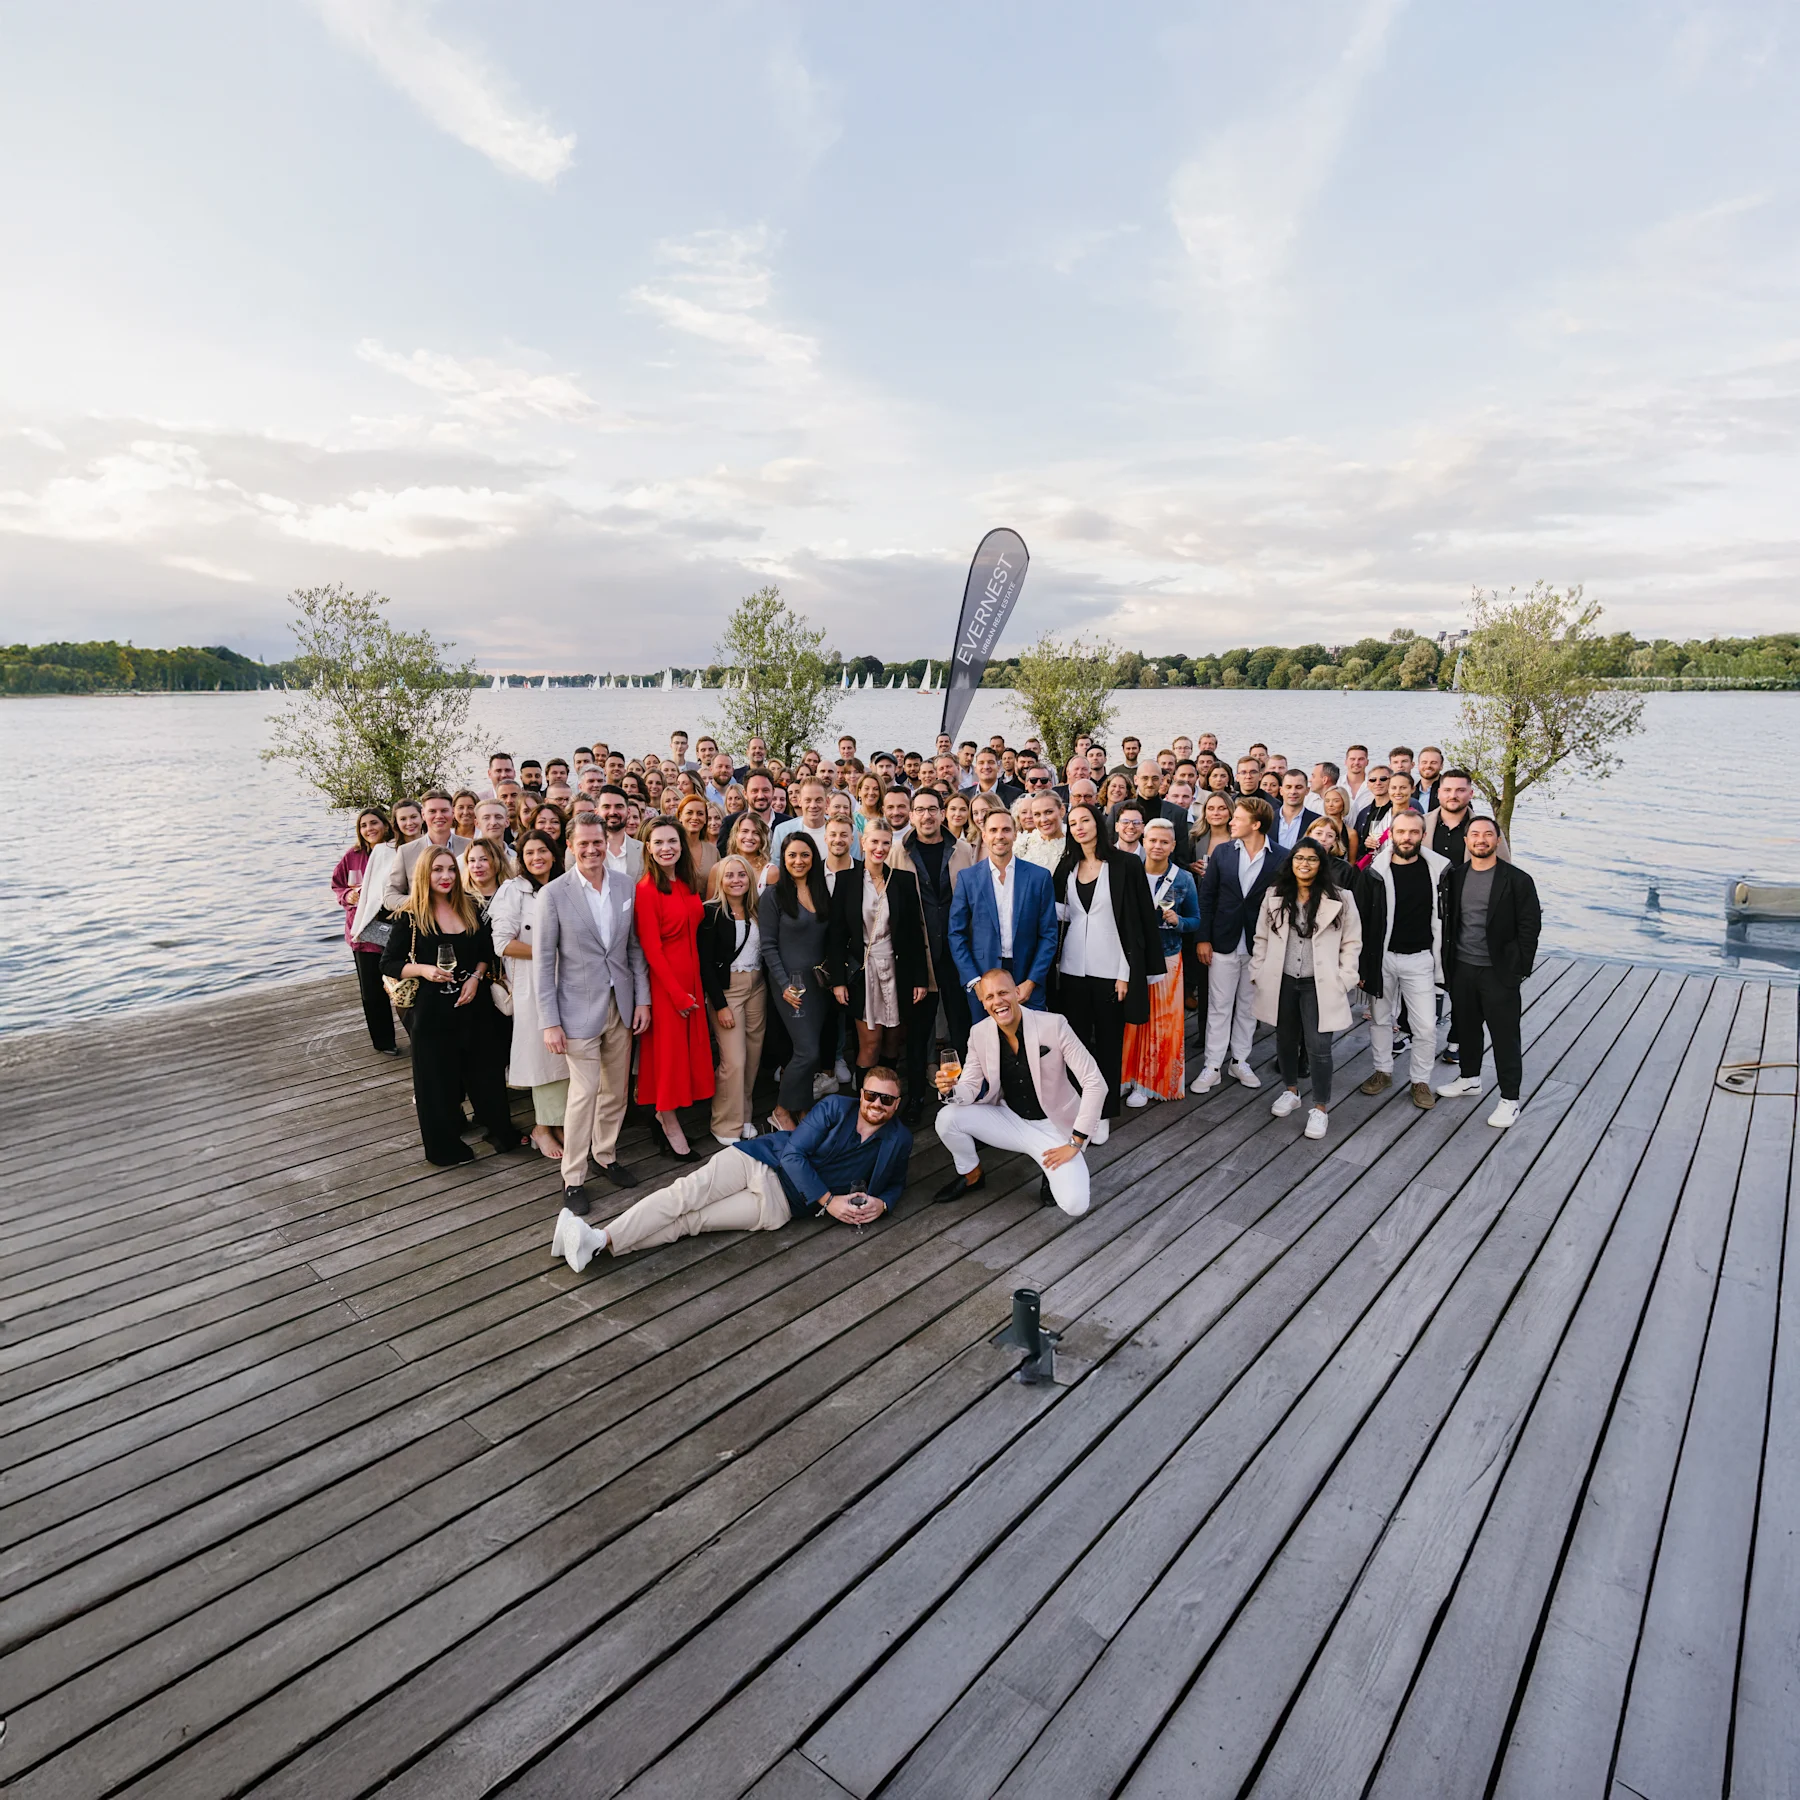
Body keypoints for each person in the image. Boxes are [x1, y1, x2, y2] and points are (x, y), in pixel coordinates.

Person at [552, 1075, 912, 1270]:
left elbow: (896, 1183)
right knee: (684, 1196)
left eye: (886, 1100)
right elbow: (794, 1156)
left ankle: (595, 1244)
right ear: (861, 1094)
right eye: (870, 1095)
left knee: (690, 1224)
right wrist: (829, 1201)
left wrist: (883, 1204)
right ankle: (600, 1239)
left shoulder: (899, 1139)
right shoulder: (836, 1107)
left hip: (780, 1207)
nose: (876, 1104)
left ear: (897, 1104)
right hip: (757, 1162)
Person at [536, 815, 652, 1208]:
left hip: (621, 1006)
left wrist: (643, 1000)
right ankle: (573, 1177)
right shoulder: (553, 894)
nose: (591, 850)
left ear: (607, 842)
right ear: (569, 846)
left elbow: (633, 949)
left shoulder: (624, 885)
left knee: (616, 1091)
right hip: (575, 1012)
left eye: (597, 842)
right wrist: (549, 1022)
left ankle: (606, 1155)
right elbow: (543, 963)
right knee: (584, 1094)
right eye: (583, 843)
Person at [381, 847, 519, 1165]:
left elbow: (487, 952)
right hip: (433, 1013)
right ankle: (445, 1147)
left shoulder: (469, 907)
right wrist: (424, 970)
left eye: (451, 870)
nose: (445, 876)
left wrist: (476, 976)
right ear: (424, 875)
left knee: (487, 1075)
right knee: (436, 1084)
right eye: (437, 870)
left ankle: (499, 1131)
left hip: (475, 1007)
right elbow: (387, 963)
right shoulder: (411, 914)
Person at [933, 968, 1107, 1216]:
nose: (997, 1001)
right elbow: (970, 1087)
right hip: (1010, 1119)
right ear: (983, 1004)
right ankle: (972, 1174)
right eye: (989, 997)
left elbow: (1095, 1082)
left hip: (1053, 1126)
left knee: (1075, 1204)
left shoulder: (1054, 1024)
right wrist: (950, 1090)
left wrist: (1075, 1142)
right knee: (947, 1117)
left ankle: (1050, 1171)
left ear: (1017, 993)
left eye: (1003, 992)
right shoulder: (979, 1033)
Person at [1052, 801, 1161, 1137]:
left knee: (1109, 1045)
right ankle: (1077, 1109)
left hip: (1111, 970)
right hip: (1071, 969)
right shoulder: (1067, 865)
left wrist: (1126, 972)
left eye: (1085, 820)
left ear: (1099, 823)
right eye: (1072, 823)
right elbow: (1059, 917)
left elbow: (1139, 923)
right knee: (1076, 1045)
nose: (1079, 827)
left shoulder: (1125, 864)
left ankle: (1103, 1113)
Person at [1250, 839, 1363, 1140]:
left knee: (1318, 1046)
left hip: (1320, 982)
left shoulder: (1342, 898)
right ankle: (1290, 1091)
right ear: (1291, 862)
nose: (1304, 864)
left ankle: (1320, 1108)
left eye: (1312, 859)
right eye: (1299, 858)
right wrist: (1258, 971)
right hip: (1283, 979)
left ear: (1321, 863)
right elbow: (1261, 938)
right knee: (1285, 1040)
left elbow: (1352, 943)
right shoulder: (1274, 896)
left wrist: (1345, 978)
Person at [1436, 818, 1542, 1129]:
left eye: (1487, 835)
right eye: (1475, 835)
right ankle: (1470, 1079)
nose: (1481, 840)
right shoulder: (1455, 876)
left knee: (1504, 1036)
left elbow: (1530, 927)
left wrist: (1519, 970)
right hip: (1462, 967)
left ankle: (1510, 1099)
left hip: (1499, 972)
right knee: (1466, 1027)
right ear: (1466, 840)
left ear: (1497, 840)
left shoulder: (1517, 880)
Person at [1354, 809, 1452, 1108]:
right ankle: (1382, 1071)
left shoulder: (1440, 871)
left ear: (1423, 835)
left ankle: (1420, 1080)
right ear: (1391, 835)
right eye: (1401, 832)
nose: (1407, 838)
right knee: (1381, 1019)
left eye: (1413, 832)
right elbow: (1360, 920)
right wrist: (1360, 965)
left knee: (1425, 1026)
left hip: (1421, 959)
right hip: (1381, 958)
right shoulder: (1374, 873)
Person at [891, 786, 979, 1113]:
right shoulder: (897, 852)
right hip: (919, 956)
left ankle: (969, 1095)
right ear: (911, 815)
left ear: (943, 814)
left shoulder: (964, 851)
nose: (926, 816)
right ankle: (915, 1096)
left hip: (957, 954)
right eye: (920, 810)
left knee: (962, 1029)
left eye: (933, 809)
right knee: (918, 1034)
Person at [1192, 796, 1288, 1094]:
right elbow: (1207, 899)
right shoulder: (1222, 853)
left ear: (1256, 824)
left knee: (1248, 1006)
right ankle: (1212, 1065)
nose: (1231, 821)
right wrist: (1203, 938)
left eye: (1238, 818)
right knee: (1219, 1005)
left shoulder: (1281, 857)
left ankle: (1240, 1060)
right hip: (1222, 939)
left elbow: (1282, 906)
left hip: (1260, 944)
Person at [633, 820, 714, 1159]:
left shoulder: (686, 883)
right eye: (659, 842)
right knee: (667, 1057)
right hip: (667, 984)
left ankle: (668, 1116)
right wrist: (676, 994)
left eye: (673, 841)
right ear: (648, 847)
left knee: (685, 1054)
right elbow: (651, 949)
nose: (667, 847)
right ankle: (667, 1120)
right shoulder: (647, 888)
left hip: (692, 977)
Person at [829, 819, 929, 1084]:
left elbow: (914, 933)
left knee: (894, 1040)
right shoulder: (846, 880)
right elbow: (836, 934)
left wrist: (920, 978)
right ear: (862, 843)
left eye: (886, 843)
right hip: (863, 971)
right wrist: (838, 981)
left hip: (898, 970)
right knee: (870, 1043)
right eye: (874, 841)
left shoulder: (904, 881)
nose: (880, 848)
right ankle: (864, 1100)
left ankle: (886, 1098)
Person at [491, 828, 569, 1159]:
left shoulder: (566, 885)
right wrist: (547, 951)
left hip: (570, 980)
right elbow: (502, 942)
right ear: (521, 859)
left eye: (543, 851)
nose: (537, 858)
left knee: (568, 1054)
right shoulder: (512, 891)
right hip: (532, 981)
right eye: (529, 853)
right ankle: (543, 1127)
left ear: (554, 853)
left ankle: (563, 1121)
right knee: (543, 1056)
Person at [1123, 816, 1201, 1107]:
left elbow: (1195, 920)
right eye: (1152, 840)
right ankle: (1129, 1079)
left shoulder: (1183, 879)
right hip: (1132, 958)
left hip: (1167, 957)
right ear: (1143, 842)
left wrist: (1178, 920)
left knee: (1162, 1023)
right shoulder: (1129, 872)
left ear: (1173, 846)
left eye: (1163, 842)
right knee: (1133, 1021)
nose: (1157, 846)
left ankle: (1151, 1081)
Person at [949, 807, 1059, 1010]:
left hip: (1027, 977)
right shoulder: (968, 878)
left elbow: (1049, 934)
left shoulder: (1039, 877)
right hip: (984, 979)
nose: (1000, 836)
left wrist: (1032, 981)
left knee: (1030, 1040)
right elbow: (956, 934)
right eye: (993, 830)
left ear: (1015, 834)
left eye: (1006, 830)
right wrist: (975, 981)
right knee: (988, 1041)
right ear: (984, 835)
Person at [759, 833, 833, 1130]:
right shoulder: (774, 896)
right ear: (783, 858)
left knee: (811, 1047)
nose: (798, 861)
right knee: (807, 1051)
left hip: (819, 985)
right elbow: (768, 945)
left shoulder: (822, 891)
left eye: (804, 855)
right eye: (792, 855)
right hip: (792, 986)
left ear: (813, 858)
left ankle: (802, 1108)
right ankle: (780, 1110)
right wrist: (783, 983)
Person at [699, 853, 767, 1146]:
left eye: (741, 875)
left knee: (752, 1058)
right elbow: (704, 964)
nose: (736, 880)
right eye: (730, 875)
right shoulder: (711, 912)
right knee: (734, 1061)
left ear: (749, 879)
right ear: (720, 880)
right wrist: (720, 1005)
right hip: (728, 991)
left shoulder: (757, 909)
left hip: (758, 986)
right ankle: (725, 1124)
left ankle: (744, 1116)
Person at [331, 808, 400, 1056]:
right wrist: (348, 895)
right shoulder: (354, 855)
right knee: (371, 993)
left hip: (393, 928)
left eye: (374, 823)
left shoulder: (397, 851)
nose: (369, 829)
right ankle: (384, 1042)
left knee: (405, 986)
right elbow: (337, 885)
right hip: (364, 932)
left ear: (386, 824)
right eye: (363, 825)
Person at [382, 790, 470, 909]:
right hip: (422, 922)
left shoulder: (470, 847)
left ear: (453, 812)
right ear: (423, 815)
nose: (439, 816)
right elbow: (390, 897)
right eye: (432, 811)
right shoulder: (406, 852)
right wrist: (422, 903)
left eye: (444, 810)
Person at [1425, 768, 1512, 863]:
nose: (1453, 795)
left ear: (1471, 794)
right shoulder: (1421, 823)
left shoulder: (1490, 829)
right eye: (1447, 790)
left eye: (1460, 790)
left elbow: (1505, 869)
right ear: (1438, 793)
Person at [676, 794, 719, 886]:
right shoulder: (672, 848)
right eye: (689, 813)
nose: (695, 817)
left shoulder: (713, 852)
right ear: (680, 816)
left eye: (700, 813)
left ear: (705, 819)